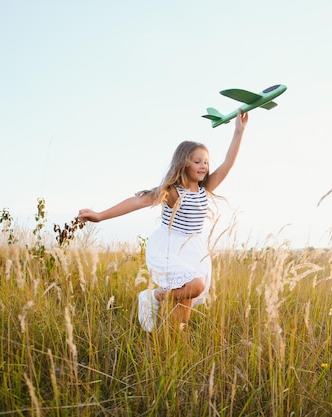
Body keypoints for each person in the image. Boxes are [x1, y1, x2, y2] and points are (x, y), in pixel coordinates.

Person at [77, 110, 249, 332]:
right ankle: (154, 297)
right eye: (198, 161)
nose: (204, 166)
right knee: (196, 285)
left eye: (206, 162)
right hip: (170, 248)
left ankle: (168, 342)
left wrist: (239, 130)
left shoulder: (204, 190)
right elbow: (136, 202)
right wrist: (99, 215)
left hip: (194, 250)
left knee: (183, 308)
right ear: (184, 163)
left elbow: (227, 164)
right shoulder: (172, 193)